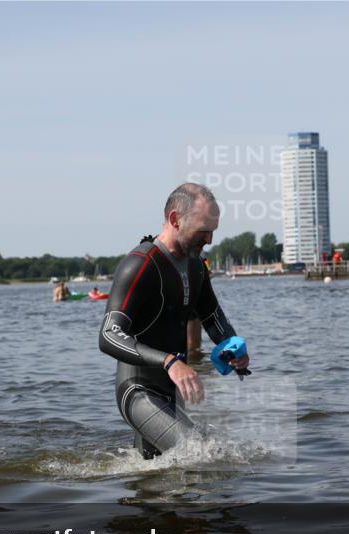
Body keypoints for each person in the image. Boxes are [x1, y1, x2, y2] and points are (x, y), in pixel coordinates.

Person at [99, 183, 249, 459]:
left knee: (155, 482)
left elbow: (213, 317)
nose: (211, 239)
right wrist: (169, 362)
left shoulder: (196, 266)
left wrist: (233, 347)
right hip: (137, 391)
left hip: (173, 393)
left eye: (214, 230)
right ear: (174, 219)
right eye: (204, 230)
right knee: (202, 455)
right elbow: (108, 335)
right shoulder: (140, 264)